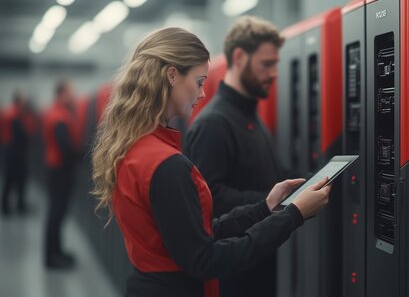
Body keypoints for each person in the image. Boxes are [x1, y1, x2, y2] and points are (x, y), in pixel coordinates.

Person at [91, 27, 330, 297]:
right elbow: (205, 260)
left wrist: (265, 207)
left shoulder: (135, 149)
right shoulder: (165, 164)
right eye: (199, 81)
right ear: (172, 75)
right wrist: (293, 215)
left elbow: (196, 232)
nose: (203, 93)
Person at [184, 16, 286, 297]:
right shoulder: (214, 123)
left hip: (258, 263)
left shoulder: (249, 115)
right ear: (239, 57)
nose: (274, 73)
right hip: (235, 274)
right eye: (266, 64)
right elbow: (210, 198)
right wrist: (275, 201)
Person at [43, 80, 79, 269]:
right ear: (61, 94)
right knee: (56, 214)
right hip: (60, 171)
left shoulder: (56, 113)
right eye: (70, 92)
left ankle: (56, 252)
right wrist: (84, 156)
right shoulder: (59, 116)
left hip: (56, 169)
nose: (73, 96)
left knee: (56, 214)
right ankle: (52, 258)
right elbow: (66, 148)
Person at [1, 91, 31, 215]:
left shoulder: (11, 113)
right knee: (13, 178)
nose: (26, 103)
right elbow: (21, 136)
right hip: (13, 151)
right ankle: (9, 206)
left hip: (10, 150)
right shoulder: (14, 115)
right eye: (24, 101)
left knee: (14, 178)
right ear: (18, 101)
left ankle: (13, 205)